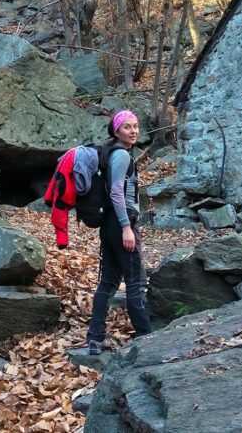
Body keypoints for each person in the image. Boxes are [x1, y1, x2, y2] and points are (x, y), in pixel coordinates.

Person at [86, 109, 151, 355]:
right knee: (135, 282)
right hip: (121, 223)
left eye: (135, 126)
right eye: (127, 127)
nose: (133, 131)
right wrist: (127, 228)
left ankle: (95, 338)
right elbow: (116, 192)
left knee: (109, 282)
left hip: (108, 224)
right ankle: (146, 338)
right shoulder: (122, 156)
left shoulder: (109, 153)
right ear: (116, 131)